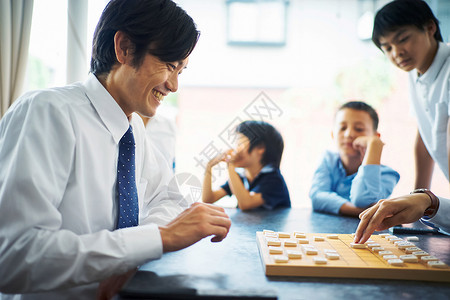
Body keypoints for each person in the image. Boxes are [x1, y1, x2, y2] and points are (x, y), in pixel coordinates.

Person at [0, 0, 231, 299]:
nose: (173, 86)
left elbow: (169, 198)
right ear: (124, 48)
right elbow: (14, 257)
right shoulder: (46, 113)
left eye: (181, 71)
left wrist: (132, 252)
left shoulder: (132, 128)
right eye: (170, 66)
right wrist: (159, 238)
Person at [355, 0, 450, 243]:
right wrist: (418, 196)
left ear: (429, 28)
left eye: (403, 38)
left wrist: (427, 202)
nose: (396, 52)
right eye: (387, 47)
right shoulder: (415, 73)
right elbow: (425, 134)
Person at [309, 101, 400, 216]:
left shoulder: (388, 175)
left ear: (375, 137)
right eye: (342, 128)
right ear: (333, 134)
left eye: (359, 129)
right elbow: (317, 196)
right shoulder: (328, 160)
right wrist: (359, 211)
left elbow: (363, 199)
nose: (348, 134)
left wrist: (374, 146)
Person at [202, 120, 291, 211]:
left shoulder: (274, 180)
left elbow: (245, 203)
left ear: (260, 147)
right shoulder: (242, 176)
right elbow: (208, 199)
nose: (235, 150)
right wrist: (209, 166)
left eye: (240, 144)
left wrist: (230, 164)